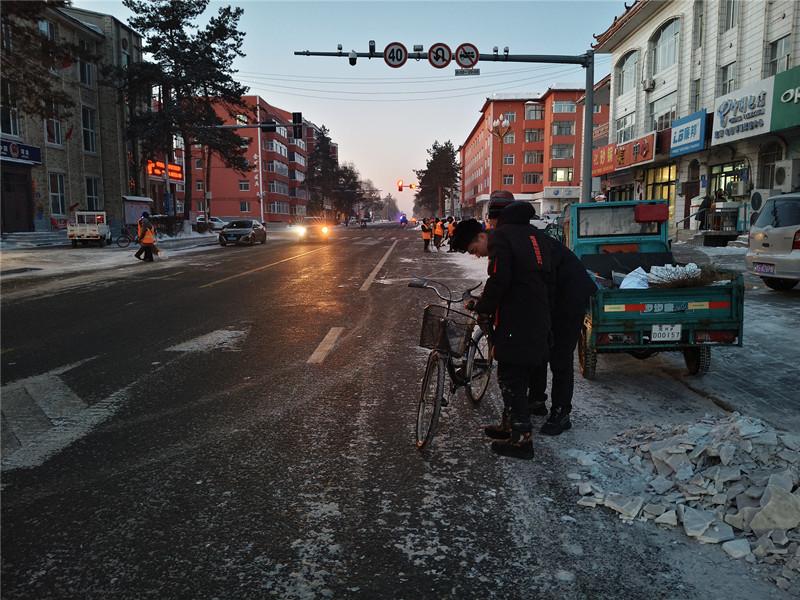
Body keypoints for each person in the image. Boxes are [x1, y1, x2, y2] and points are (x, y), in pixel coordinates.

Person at [450, 216, 553, 460]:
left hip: (522, 319)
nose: (477, 255)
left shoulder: (500, 244)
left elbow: (500, 281)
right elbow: (504, 282)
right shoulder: (509, 240)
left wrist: (483, 306)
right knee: (510, 372)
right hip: (527, 315)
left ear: (481, 236)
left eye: (474, 250)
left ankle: (522, 441)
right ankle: (510, 426)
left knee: (512, 376)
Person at [498, 200, 597, 435]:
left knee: (560, 357)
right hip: (551, 300)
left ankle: (562, 413)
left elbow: (546, 285)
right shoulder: (524, 240)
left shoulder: (536, 243)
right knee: (538, 350)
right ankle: (537, 400)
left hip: (569, 300)